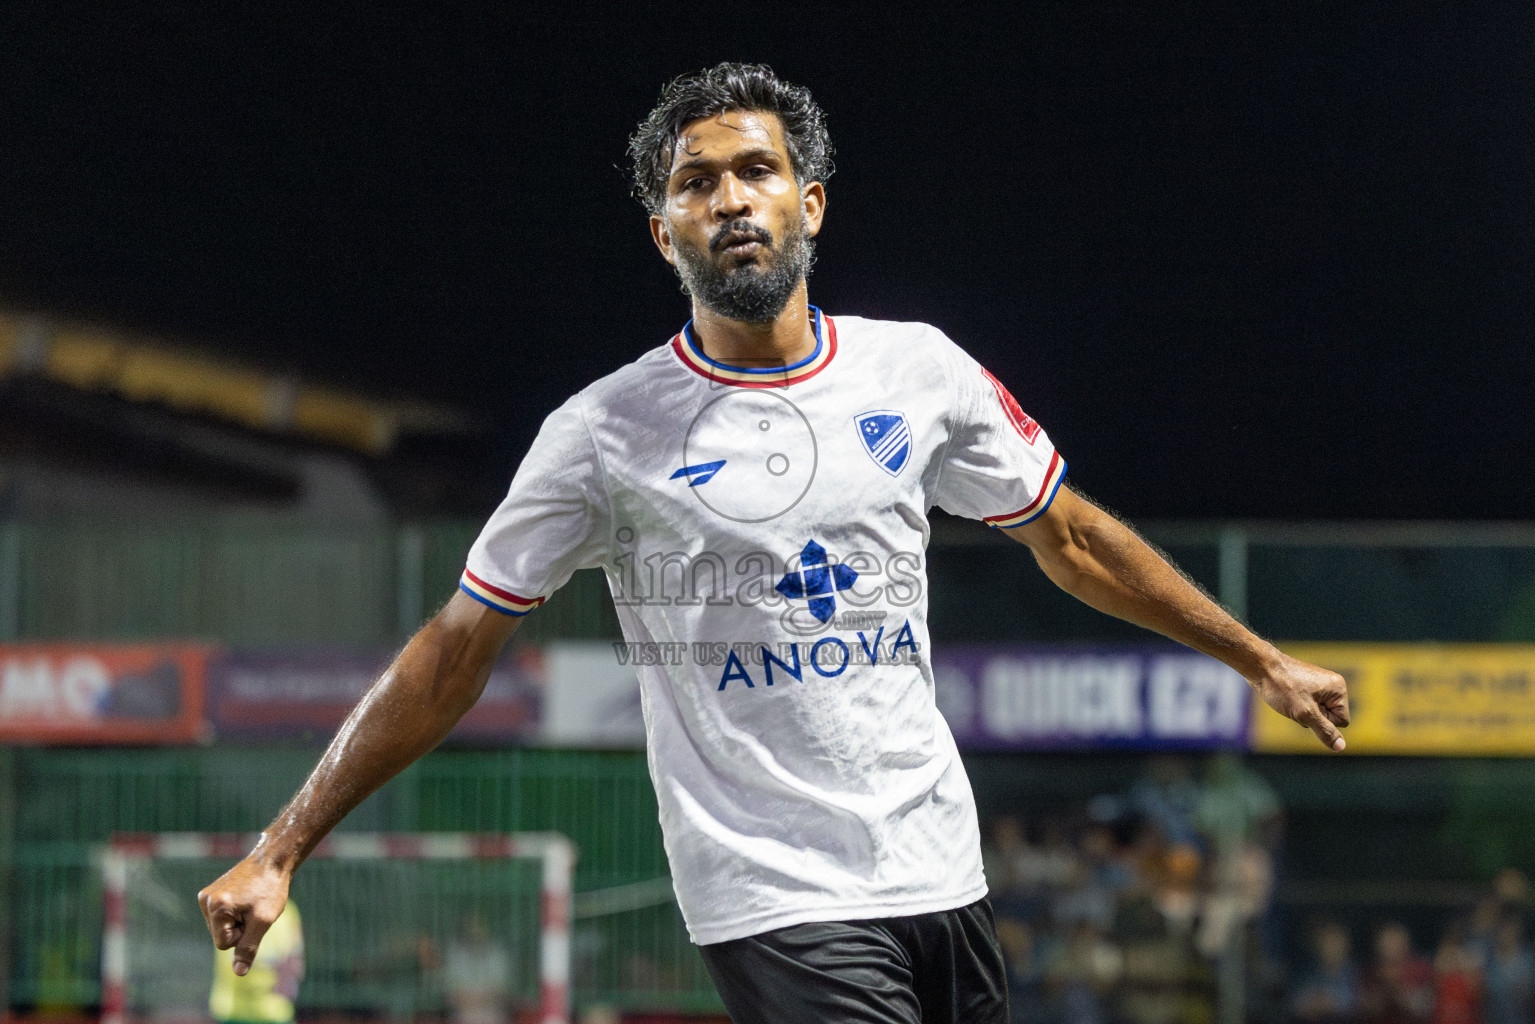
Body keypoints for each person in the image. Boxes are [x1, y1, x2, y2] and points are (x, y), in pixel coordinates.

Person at [197, 62, 1351, 1023]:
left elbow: (1073, 536)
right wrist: (283, 843)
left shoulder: (920, 370)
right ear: (663, 233)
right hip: (771, 894)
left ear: (811, 204)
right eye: (696, 183)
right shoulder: (600, 434)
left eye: (757, 170)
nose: (731, 198)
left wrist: (1259, 658)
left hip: (938, 866)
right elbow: (456, 648)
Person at [210, 900, 303, 1024]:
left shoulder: (288, 910)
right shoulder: (231, 907)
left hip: (275, 1013)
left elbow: (295, 956)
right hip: (234, 1014)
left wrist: (290, 977)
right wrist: (274, 965)